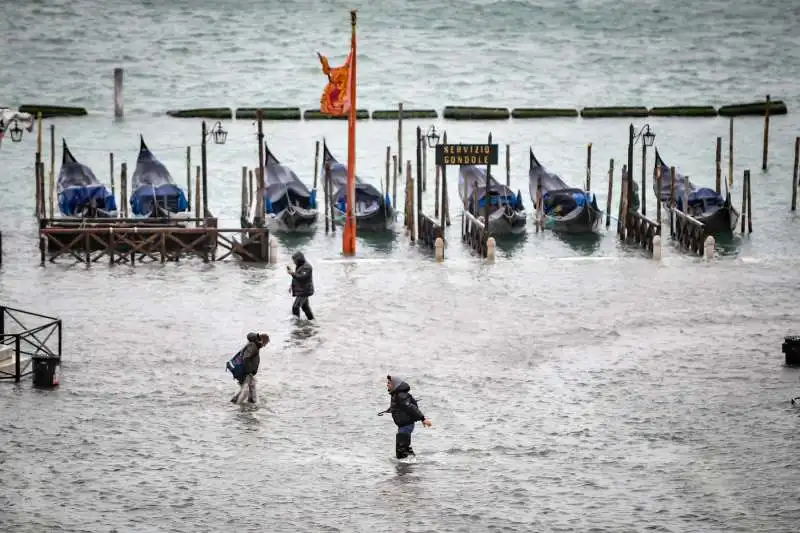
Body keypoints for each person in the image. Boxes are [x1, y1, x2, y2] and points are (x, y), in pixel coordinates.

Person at [384, 375, 432, 459]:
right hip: (403, 425)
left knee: (401, 451)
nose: (387, 385)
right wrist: (391, 409)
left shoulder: (400, 395)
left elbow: (411, 408)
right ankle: (410, 465)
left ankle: (405, 468)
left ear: (395, 384)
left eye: (389, 383)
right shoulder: (396, 394)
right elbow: (399, 406)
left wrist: (423, 419)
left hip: (406, 425)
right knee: (404, 449)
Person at [231, 332, 269, 404]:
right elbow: (245, 358)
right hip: (246, 372)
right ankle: (237, 405)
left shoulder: (255, 345)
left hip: (247, 372)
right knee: (245, 391)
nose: (264, 346)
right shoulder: (253, 346)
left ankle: (251, 402)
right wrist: (249, 372)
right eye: (265, 344)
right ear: (262, 341)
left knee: (252, 385)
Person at [287, 251, 314, 320]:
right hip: (302, 290)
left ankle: (296, 325)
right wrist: (291, 286)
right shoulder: (300, 265)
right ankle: (311, 320)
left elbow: (302, 278)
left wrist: (292, 273)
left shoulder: (307, 267)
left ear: (299, 259)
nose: (294, 262)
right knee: (305, 307)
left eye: (294, 260)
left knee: (295, 307)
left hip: (305, 291)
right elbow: (297, 278)